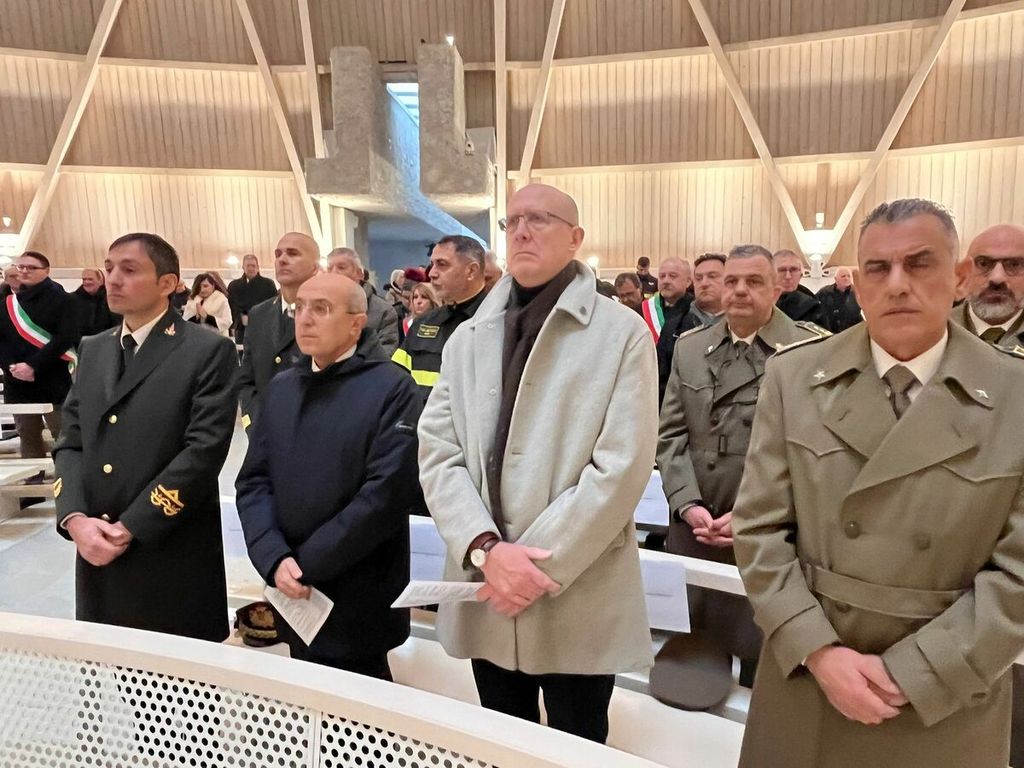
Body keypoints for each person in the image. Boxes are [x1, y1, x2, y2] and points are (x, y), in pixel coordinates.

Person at [732, 199, 1024, 768]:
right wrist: (818, 651)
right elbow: (759, 529)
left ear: (959, 277)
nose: (897, 284)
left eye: (919, 263)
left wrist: (917, 673)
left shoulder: (1014, 395)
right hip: (810, 677)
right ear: (859, 285)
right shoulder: (794, 377)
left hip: (946, 690)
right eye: (878, 268)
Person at [419, 183, 657, 743]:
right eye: (513, 221)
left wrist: (526, 568)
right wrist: (485, 548)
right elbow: (437, 451)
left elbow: (621, 467)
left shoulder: (621, 333)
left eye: (541, 219)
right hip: (486, 579)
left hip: (573, 583)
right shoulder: (467, 337)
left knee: (577, 739)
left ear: (575, 239)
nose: (522, 231)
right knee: (504, 737)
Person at [657, 244, 829, 688]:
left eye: (754, 282)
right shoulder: (691, 348)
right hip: (697, 522)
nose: (739, 291)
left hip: (768, 529)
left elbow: (814, 454)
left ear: (777, 288)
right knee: (693, 653)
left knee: (763, 653)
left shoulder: (809, 350)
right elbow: (670, 434)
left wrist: (752, 515)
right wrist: (686, 503)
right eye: (731, 280)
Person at [53, 232, 238, 641]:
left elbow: (204, 450)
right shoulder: (94, 349)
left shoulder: (205, 350)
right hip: (96, 542)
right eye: (109, 268)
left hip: (168, 542)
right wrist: (75, 518)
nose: (114, 279)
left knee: (180, 673)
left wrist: (131, 525)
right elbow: (71, 440)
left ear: (167, 283)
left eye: (130, 269)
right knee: (113, 659)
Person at [236, 273, 421, 679]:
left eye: (321, 309)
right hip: (290, 584)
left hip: (357, 587)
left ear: (357, 324)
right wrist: (273, 556)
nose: (305, 319)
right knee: (306, 695)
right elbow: (254, 480)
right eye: (300, 307)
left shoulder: (392, 388)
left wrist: (304, 565)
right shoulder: (283, 387)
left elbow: (384, 495)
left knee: (362, 708)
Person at [0, 251, 81, 458]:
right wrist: (11, 367)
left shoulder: (64, 300)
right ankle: (35, 478)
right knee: (27, 436)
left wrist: (32, 366)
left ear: (46, 271)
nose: (24, 271)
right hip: (17, 381)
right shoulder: (7, 303)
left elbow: (66, 337)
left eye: (32, 267)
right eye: (21, 267)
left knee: (63, 435)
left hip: (52, 377)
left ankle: (66, 475)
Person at [237, 232, 320, 433]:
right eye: (278, 254)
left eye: (292, 253)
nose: (282, 259)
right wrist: (254, 425)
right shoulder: (259, 314)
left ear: (315, 267)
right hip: (264, 433)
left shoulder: (327, 314)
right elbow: (247, 379)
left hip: (313, 432)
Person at [391, 235, 487, 402]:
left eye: (442, 265)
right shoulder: (423, 324)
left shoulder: (498, 320)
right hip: (421, 416)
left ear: (471, 271)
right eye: (432, 264)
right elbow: (396, 381)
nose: (432, 273)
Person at [951, 224, 1024, 347]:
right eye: (983, 263)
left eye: (1014, 265)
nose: (997, 278)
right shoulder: (933, 331)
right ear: (964, 272)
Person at [325, 247, 399, 355]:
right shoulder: (318, 308)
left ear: (360, 274)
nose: (334, 273)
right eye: (329, 268)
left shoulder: (383, 311)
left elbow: (385, 352)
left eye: (341, 267)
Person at [649, 257, 694, 404]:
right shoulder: (643, 311)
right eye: (662, 276)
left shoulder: (696, 314)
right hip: (649, 390)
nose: (666, 281)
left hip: (680, 394)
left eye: (673, 276)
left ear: (688, 281)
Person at [227, 254, 278, 345]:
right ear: (243, 267)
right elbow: (232, 306)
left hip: (264, 327)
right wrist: (241, 318)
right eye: (248, 266)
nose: (251, 268)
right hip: (242, 328)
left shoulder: (268, 284)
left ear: (258, 267)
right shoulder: (234, 286)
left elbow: (274, 305)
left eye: (253, 266)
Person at [773, 249, 825, 325]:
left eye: (793, 270)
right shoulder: (758, 302)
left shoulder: (812, 307)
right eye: (782, 270)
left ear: (800, 275)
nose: (788, 276)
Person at [678, 252, 726, 332]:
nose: (704, 283)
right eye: (698, 278)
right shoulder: (675, 326)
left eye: (712, 276)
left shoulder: (746, 323)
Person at [73, 268, 121, 337]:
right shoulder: (73, 300)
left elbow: (118, 325)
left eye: (90, 279)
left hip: (105, 340)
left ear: (101, 281)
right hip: (80, 342)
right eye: (84, 279)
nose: (86, 282)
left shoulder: (112, 299)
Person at [183, 272, 233, 337]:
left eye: (205, 286)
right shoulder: (192, 301)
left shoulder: (221, 300)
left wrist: (207, 317)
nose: (202, 290)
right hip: (195, 338)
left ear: (213, 285)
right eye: (199, 287)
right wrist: (196, 317)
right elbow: (185, 321)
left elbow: (227, 322)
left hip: (216, 338)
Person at [815, 265, 862, 333]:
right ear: (836, 279)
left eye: (848, 276)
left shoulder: (857, 292)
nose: (846, 278)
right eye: (843, 276)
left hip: (852, 331)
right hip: (830, 331)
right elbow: (813, 304)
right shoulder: (825, 292)